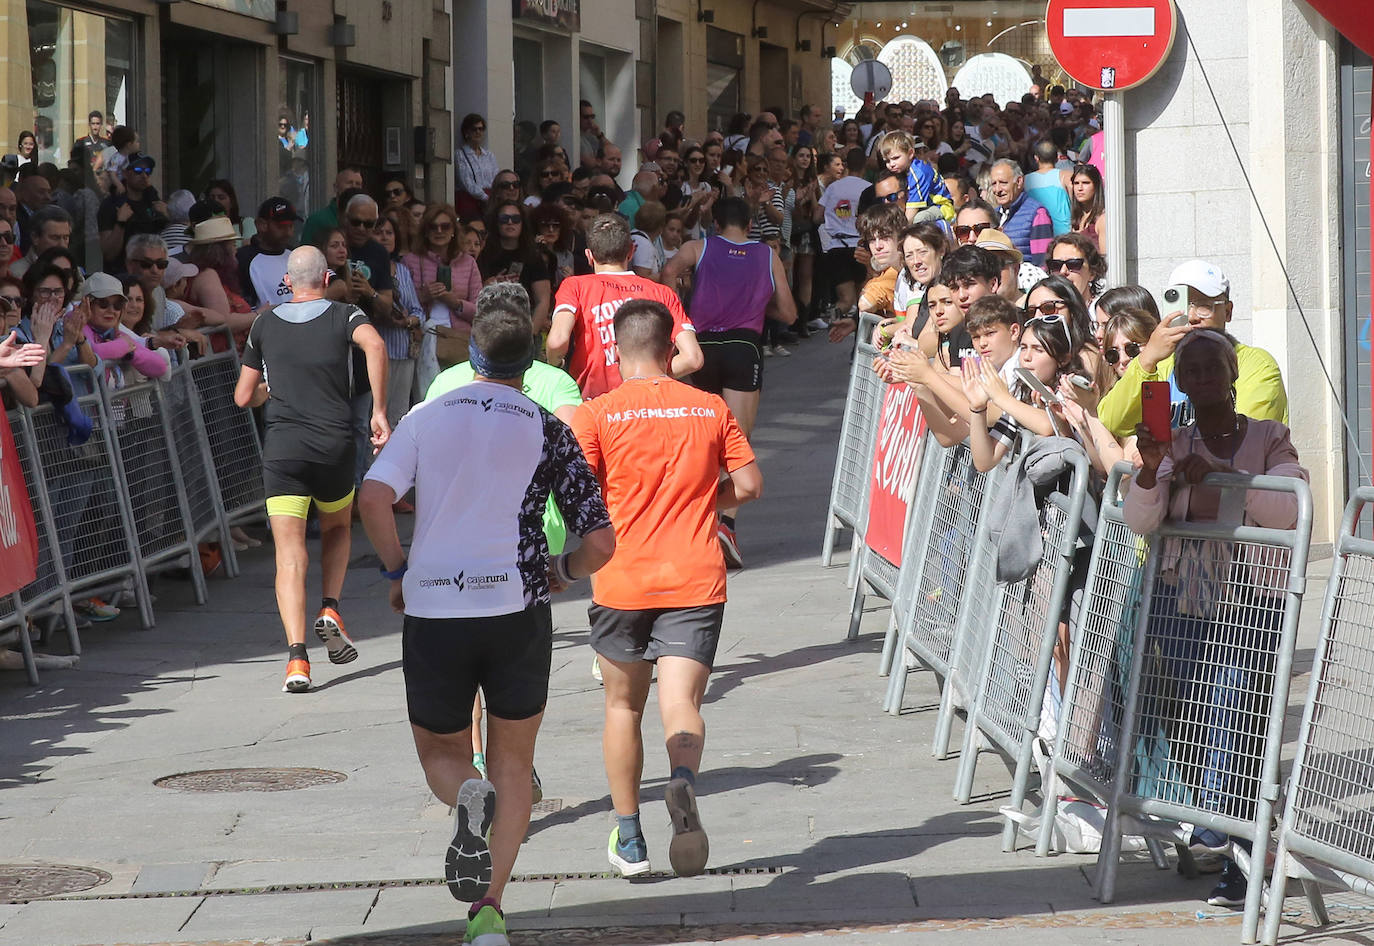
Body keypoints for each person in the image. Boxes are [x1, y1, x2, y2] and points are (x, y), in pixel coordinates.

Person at [356, 297, 615, 946]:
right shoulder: (545, 425)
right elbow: (602, 543)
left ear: (469, 358)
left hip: (437, 608)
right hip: (517, 608)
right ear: (526, 367)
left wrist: (395, 570)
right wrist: (567, 569)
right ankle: (489, 910)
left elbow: (374, 497)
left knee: (443, 754)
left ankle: (464, 796)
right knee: (514, 761)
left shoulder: (425, 417)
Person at [571, 299, 761, 879]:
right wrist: (707, 501)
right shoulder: (708, 408)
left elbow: (578, 498)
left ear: (613, 348)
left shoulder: (595, 415)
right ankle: (682, 781)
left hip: (622, 578)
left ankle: (630, 838)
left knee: (622, 705)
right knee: (681, 703)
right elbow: (750, 485)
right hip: (694, 577)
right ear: (670, 348)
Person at [1125, 328, 1307, 910]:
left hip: (1253, 601)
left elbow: (1288, 508)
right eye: (1192, 370)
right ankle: (1237, 847)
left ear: (1233, 376)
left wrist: (1229, 481)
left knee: (1235, 722)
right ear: (1179, 381)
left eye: (1213, 368)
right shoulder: (1171, 443)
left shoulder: (1270, 437)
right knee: (1207, 726)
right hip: (1183, 602)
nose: (1203, 379)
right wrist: (1155, 471)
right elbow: (1139, 519)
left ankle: (1227, 841)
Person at [233, 246, 390, 693]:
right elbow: (375, 344)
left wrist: (266, 392)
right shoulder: (345, 316)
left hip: (283, 449)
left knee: (289, 552)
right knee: (338, 527)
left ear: (287, 282)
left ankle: (297, 660)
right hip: (333, 444)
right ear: (325, 280)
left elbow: (243, 397)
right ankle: (330, 607)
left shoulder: (264, 323)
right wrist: (379, 411)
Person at [660, 197, 795, 567]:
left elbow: (668, 272)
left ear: (714, 223)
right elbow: (789, 312)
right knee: (736, 440)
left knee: (700, 439)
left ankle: (694, 522)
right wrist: (755, 302)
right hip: (742, 345)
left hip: (701, 347)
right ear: (750, 224)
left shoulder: (697, 247)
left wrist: (683, 304)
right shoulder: (768, 255)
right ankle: (726, 525)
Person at [1097, 260, 1288, 437]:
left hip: (1228, 473)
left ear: (1228, 311)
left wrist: (1172, 450)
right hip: (1175, 473)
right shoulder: (1161, 368)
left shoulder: (1255, 364)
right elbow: (1115, 422)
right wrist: (1147, 359)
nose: (1192, 316)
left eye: (1204, 305)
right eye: (1182, 303)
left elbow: (1243, 437)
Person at [546, 212, 701, 399]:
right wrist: (651, 375)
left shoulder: (575, 286)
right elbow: (693, 358)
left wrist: (554, 366)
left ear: (589, 255)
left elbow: (557, 341)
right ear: (631, 251)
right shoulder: (662, 293)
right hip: (646, 405)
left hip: (593, 404)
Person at [404, 203, 484, 394]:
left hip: (459, 341)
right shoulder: (411, 260)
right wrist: (424, 296)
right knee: (426, 398)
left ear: (454, 231)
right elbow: (403, 306)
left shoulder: (468, 262)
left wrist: (455, 302)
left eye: (445, 226)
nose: (439, 231)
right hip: (422, 340)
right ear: (425, 230)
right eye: (433, 226)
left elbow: (481, 311)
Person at [814, 147, 870, 329]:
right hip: (859, 247)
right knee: (864, 299)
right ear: (865, 165)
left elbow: (817, 217)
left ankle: (833, 324)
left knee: (845, 300)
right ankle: (859, 336)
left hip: (836, 247)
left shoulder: (833, 187)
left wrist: (836, 218)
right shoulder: (868, 189)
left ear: (846, 165)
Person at [476, 202, 552, 334]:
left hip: (524, 326)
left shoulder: (533, 256)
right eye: (504, 219)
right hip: (489, 328)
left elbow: (543, 300)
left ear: (522, 223)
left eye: (516, 219)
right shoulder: (483, 253)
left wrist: (531, 334)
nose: (510, 222)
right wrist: (487, 286)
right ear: (496, 223)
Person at [97, 153, 168, 271]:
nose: (144, 175)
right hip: (122, 275)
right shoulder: (112, 204)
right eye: (138, 170)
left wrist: (167, 216)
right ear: (125, 173)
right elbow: (109, 254)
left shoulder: (153, 201)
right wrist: (121, 223)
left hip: (152, 272)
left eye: (148, 171)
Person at [987, 158, 1053, 267]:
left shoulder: (1037, 214)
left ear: (1019, 182)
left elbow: (1043, 263)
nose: (997, 189)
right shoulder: (993, 215)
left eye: (1003, 183)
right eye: (994, 184)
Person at [236, 198, 300, 310]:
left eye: (291, 226)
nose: (288, 233)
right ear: (261, 225)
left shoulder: (297, 256)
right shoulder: (242, 259)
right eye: (281, 227)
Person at [301, 166, 364, 247]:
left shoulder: (366, 220)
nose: (354, 187)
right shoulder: (317, 220)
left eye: (358, 184)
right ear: (336, 187)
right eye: (350, 183)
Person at [1044, 232, 1106, 309]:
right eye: (1056, 265)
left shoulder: (1104, 315)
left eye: (1073, 264)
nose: (1063, 271)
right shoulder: (1043, 313)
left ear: (1092, 272)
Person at [10, 205, 72, 280]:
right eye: (55, 238)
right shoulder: (17, 274)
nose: (62, 245)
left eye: (65, 238)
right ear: (35, 237)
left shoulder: (74, 271)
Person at [1024, 140, 1072, 235]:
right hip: (1064, 235)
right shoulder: (1066, 176)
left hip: (1036, 234)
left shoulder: (1025, 181)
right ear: (1057, 158)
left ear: (1036, 158)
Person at [456, 113, 499, 214]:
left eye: (481, 129)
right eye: (474, 129)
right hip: (469, 201)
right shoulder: (460, 154)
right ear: (466, 132)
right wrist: (485, 198)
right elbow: (466, 182)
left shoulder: (489, 155)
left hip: (490, 201)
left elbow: (496, 178)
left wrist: (493, 198)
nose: (478, 132)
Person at [1070, 162, 1106, 254]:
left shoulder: (1102, 219)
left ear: (1096, 186)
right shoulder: (1077, 218)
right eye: (1076, 183)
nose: (1080, 188)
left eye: (1086, 183)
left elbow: (1105, 257)